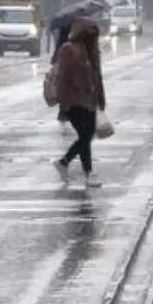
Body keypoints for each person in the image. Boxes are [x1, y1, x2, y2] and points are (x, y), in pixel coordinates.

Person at [51, 18, 107, 189]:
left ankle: (64, 162)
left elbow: (97, 77)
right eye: (90, 36)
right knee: (85, 136)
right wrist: (63, 105)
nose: (93, 39)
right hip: (74, 101)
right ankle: (87, 172)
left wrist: (101, 97)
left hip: (89, 100)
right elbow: (62, 78)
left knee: (86, 136)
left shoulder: (93, 52)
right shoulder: (69, 49)